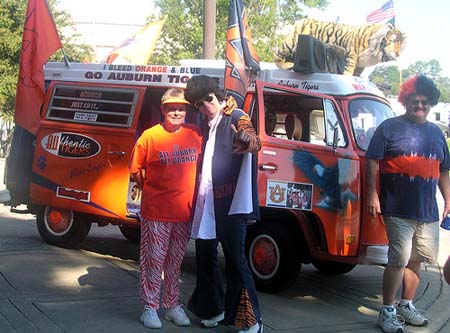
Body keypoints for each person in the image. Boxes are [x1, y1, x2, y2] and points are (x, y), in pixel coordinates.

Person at [366, 74, 450, 333]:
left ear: (431, 103)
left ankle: (406, 304)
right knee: (398, 258)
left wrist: (448, 199)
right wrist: (372, 194)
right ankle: (387, 310)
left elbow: (444, 170)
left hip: (428, 211)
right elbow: (372, 160)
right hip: (398, 208)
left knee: (418, 259)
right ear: (406, 100)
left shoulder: (437, 134)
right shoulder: (389, 128)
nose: (420, 106)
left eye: (425, 102)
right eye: (416, 100)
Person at [184, 75, 263, 333]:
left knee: (235, 259)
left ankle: (251, 319)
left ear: (216, 94)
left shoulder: (236, 114)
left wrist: (247, 139)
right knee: (205, 256)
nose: (205, 105)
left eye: (207, 99)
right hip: (208, 201)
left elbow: (250, 135)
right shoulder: (205, 124)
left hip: (231, 202)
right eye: (198, 103)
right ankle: (212, 309)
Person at [129, 88, 202, 329]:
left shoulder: (196, 134)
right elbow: (135, 170)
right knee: (153, 261)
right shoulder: (150, 137)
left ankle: (171, 306)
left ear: (186, 111)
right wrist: (150, 189)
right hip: (157, 212)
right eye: (172, 108)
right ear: (163, 110)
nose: (177, 112)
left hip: (184, 213)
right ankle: (149, 308)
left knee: (174, 263)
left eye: (181, 108)